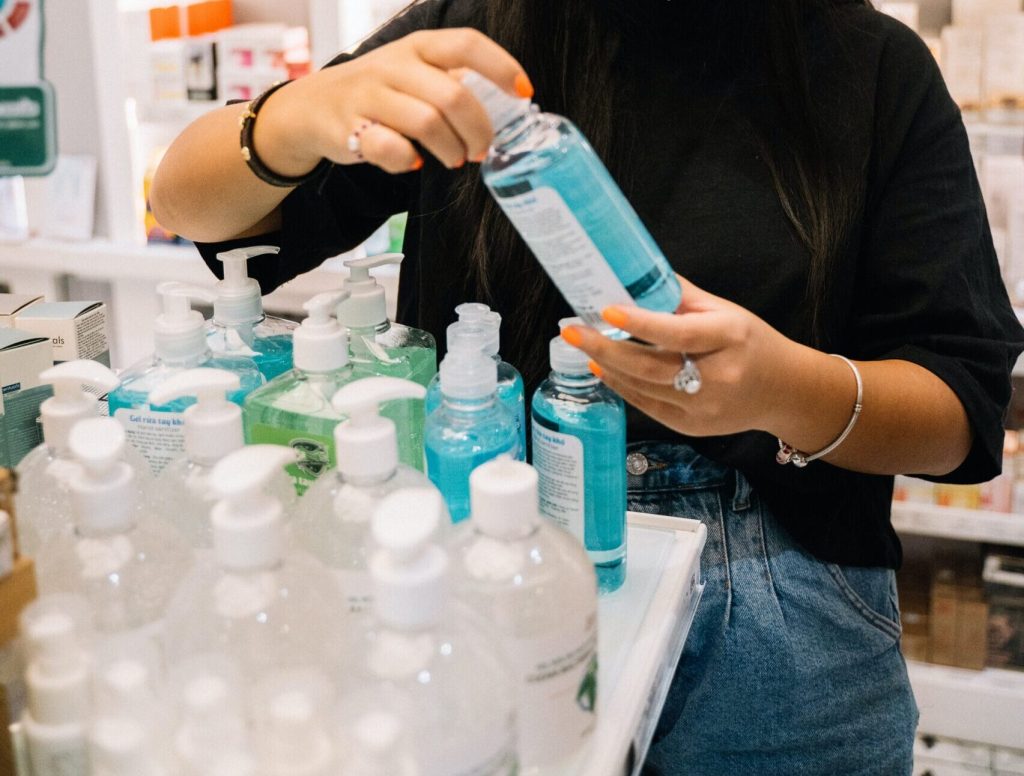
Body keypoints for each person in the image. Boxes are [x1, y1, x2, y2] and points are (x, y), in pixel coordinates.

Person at [151, 1, 1024, 773]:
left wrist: (783, 391)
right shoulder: (475, 41)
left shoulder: (873, 69)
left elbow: (960, 410)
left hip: (786, 606)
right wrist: (292, 117)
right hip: (492, 557)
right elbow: (190, 207)